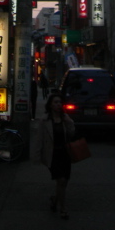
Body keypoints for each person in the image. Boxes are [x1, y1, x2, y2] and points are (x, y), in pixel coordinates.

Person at [32, 91, 75, 219]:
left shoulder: (65, 118)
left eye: (60, 102)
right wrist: (37, 156)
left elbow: (72, 134)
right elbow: (39, 139)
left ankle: (55, 200)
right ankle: (63, 208)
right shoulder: (45, 121)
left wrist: (69, 121)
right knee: (61, 180)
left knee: (63, 182)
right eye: (55, 102)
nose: (58, 104)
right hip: (53, 154)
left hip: (65, 154)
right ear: (50, 105)